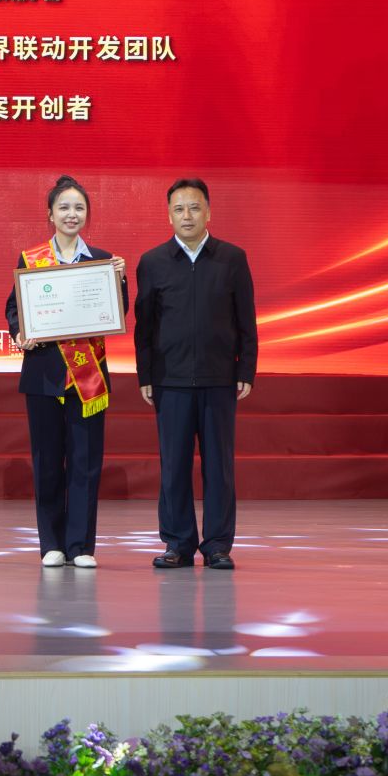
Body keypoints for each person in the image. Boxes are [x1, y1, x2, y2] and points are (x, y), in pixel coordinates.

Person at [133, 178, 257, 570]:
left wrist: (246, 368)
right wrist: (145, 374)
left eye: (194, 207)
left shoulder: (232, 259)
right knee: (174, 466)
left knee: (219, 466)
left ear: (208, 212)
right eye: (179, 209)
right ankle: (178, 543)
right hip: (169, 380)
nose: (187, 215)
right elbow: (144, 326)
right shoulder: (152, 262)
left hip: (219, 378)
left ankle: (218, 545)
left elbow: (246, 320)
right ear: (169, 215)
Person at [5, 175, 127, 569]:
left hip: (87, 379)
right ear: (50, 214)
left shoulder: (103, 261)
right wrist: (20, 332)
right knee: (47, 462)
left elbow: (117, 312)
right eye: (64, 207)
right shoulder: (31, 259)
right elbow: (14, 308)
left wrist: (120, 282)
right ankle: (52, 544)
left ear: (87, 214)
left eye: (78, 208)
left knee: (85, 463)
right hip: (43, 375)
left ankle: (81, 546)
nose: (71, 214)